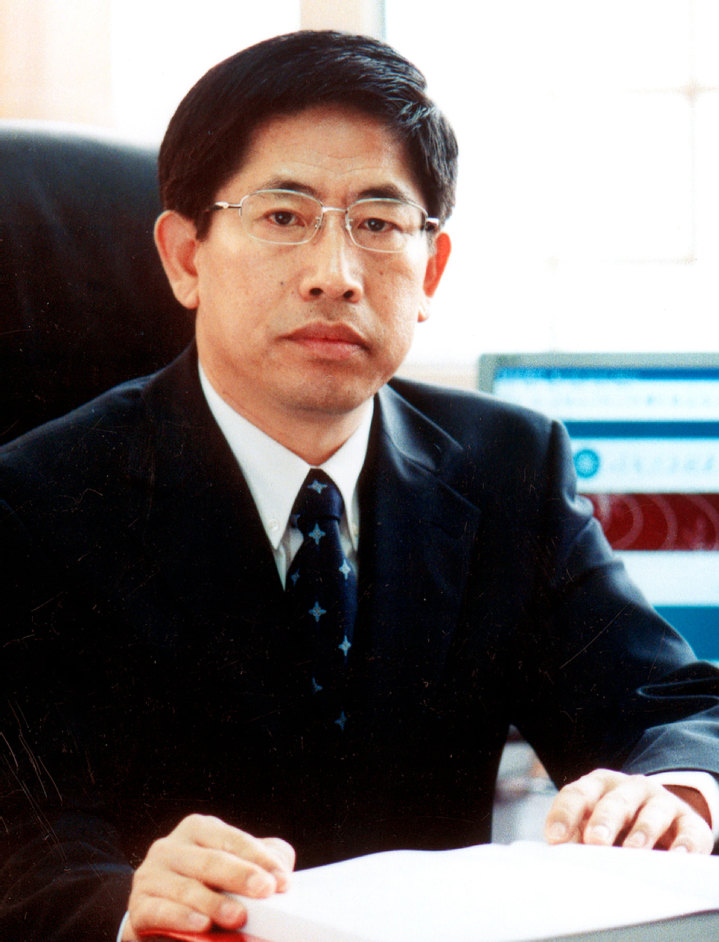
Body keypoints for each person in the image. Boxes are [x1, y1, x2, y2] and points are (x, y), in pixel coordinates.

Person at [1, 30, 718, 942]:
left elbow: (674, 708)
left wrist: (674, 790)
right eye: (282, 216)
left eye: (377, 225)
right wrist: (126, 900)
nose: (334, 277)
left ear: (431, 271)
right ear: (185, 258)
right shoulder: (37, 500)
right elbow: (24, 840)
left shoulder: (508, 469)